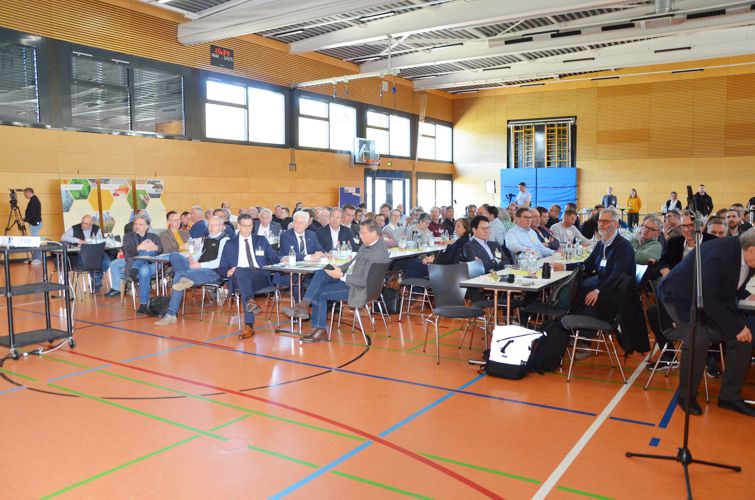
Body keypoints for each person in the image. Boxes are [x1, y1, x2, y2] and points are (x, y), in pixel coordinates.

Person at [657, 228, 755, 417]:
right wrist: (736, 326)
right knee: (698, 340)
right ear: (751, 250)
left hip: (708, 299)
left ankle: (729, 397)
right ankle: (685, 396)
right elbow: (708, 299)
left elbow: (730, 284)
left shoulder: (746, 255)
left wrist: (744, 299)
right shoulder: (720, 256)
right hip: (680, 298)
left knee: (744, 338)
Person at [281, 221, 391, 343]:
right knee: (322, 271)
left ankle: (319, 329)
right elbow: (352, 263)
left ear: (374, 233)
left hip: (360, 289)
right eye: (360, 232)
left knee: (320, 293)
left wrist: (341, 276)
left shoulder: (378, 253)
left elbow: (364, 281)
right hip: (353, 281)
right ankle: (304, 305)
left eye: (363, 233)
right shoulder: (368, 245)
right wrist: (337, 268)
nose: (360, 236)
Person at [154, 216, 229, 326]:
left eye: (215, 225)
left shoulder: (225, 240)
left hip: (213, 272)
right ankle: (183, 278)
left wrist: (199, 265)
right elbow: (200, 254)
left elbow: (219, 262)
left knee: (180, 277)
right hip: (198, 269)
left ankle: (171, 314)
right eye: (210, 225)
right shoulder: (207, 238)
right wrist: (192, 259)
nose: (211, 228)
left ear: (222, 227)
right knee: (174, 255)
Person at [217, 214, 282, 339]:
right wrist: (227, 272)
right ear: (238, 226)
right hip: (238, 278)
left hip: (259, 277)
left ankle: (249, 323)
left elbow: (275, 258)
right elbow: (222, 267)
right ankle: (249, 313)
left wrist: (286, 259)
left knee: (244, 284)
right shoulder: (230, 244)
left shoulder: (261, 240)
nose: (248, 229)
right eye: (244, 226)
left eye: (250, 226)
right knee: (240, 271)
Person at [61, 214, 114, 294]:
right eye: (82, 222)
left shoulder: (96, 229)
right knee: (94, 262)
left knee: (107, 263)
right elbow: (63, 237)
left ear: (91, 224)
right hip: (81, 255)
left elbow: (100, 240)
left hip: (96, 252)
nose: (83, 225)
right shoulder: (74, 228)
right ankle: (96, 283)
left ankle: (96, 281)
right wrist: (79, 241)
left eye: (86, 224)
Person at [122, 215, 163, 314]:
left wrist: (155, 248)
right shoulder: (128, 237)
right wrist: (139, 247)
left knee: (151, 250)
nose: (137, 226)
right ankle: (143, 304)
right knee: (144, 270)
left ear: (147, 226)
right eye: (135, 224)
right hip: (138, 266)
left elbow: (161, 250)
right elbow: (127, 252)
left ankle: (135, 269)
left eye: (140, 224)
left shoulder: (154, 237)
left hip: (153, 265)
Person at [22, 187, 42, 264]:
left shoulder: (34, 201)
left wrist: (25, 220)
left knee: (35, 241)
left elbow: (32, 214)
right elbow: (31, 213)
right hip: (34, 223)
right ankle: (34, 258)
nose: (24, 196)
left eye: (25, 194)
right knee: (33, 241)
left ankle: (38, 259)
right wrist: (26, 219)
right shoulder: (34, 200)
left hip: (35, 224)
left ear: (28, 192)